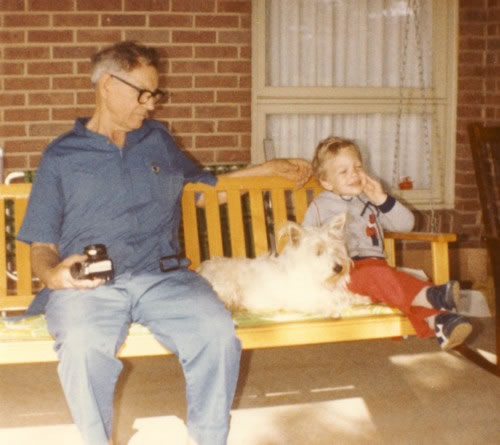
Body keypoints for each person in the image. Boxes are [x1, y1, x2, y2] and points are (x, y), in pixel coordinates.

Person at [17, 41, 311, 445]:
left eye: (156, 94)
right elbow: (40, 243)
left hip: (164, 276)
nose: (151, 104)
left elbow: (208, 187)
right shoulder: (61, 157)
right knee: (83, 348)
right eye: (143, 93)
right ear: (106, 85)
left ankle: (210, 439)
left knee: (216, 334)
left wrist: (268, 170)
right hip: (92, 286)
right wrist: (54, 275)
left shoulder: (157, 140)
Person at [302, 136, 472, 350]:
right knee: (382, 277)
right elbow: (304, 245)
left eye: (357, 167)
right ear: (327, 182)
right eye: (343, 171)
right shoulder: (320, 206)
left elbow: (407, 224)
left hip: (378, 269)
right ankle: (432, 298)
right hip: (344, 273)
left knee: (395, 279)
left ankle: (439, 322)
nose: (353, 173)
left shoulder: (370, 199)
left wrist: (382, 199)